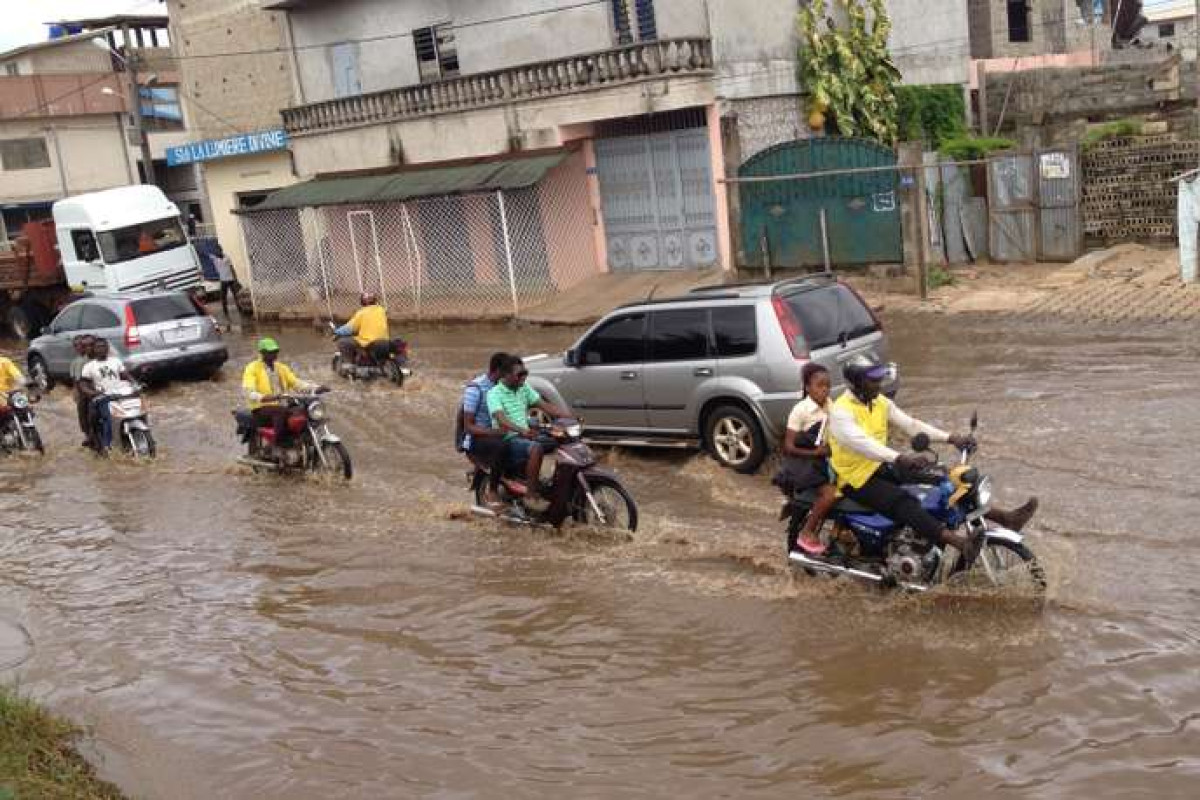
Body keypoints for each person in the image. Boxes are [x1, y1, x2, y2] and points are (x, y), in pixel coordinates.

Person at [828, 356, 1038, 562]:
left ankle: (1005, 519)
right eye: (872, 380)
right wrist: (900, 458)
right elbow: (863, 444)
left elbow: (911, 425)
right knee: (905, 502)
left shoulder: (879, 402)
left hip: (880, 465)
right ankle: (960, 543)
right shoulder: (841, 411)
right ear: (857, 382)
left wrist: (951, 438)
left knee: (946, 478)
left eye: (879, 378)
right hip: (854, 479)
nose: (879, 384)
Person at [776, 363, 837, 556]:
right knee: (829, 495)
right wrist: (816, 453)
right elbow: (788, 446)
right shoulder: (800, 410)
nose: (825, 389)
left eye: (827, 385)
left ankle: (840, 531)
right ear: (808, 387)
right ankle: (807, 532)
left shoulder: (830, 405)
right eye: (819, 385)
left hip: (826, 459)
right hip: (807, 463)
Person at [486, 356, 566, 496]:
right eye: (519, 374)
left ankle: (557, 484)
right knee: (536, 448)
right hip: (508, 439)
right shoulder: (494, 394)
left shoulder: (524, 388)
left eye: (525, 373)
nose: (523, 377)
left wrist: (570, 417)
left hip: (525, 434)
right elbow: (501, 419)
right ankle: (531, 492)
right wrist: (522, 430)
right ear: (506, 375)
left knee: (562, 439)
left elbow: (545, 406)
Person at [242, 337, 323, 445]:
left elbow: (296, 383)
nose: (274, 354)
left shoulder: (281, 368)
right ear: (262, 352)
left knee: (305, 410)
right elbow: (249, 392)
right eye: (270, 352)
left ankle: (304, 441)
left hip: (282, 405)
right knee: (281, 411)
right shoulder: (252, 368)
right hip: (261, 409)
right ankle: (279, 442)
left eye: (275, 352)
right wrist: (265, 397)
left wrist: (316, 388)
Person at [460, 352, 510, 504]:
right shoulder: (475, 389)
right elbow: (468, 426)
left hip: (499, 434)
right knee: (502, 446)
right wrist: (495, 432)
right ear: (497, 371)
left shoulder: (504, 388)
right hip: (477, 439)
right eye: (506, 372)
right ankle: (493, 490)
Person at [79, 338, 132, 453]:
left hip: (120, 394)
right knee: (108, 417)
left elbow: (125, 375)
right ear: (94, 349)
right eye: (98, 347)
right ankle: (107, 444)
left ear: (108, 348)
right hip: (103, 398)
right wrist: (92, 393)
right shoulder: (89, 366)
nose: (101, 349)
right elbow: (83, 385)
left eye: (104, 346)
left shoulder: (116, 361)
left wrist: (134, 383)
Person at [334, 293, 390, 365]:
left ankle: (348, 365)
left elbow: (350, 328)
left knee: (343, 342)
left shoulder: (361, 313)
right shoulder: (382, 310)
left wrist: (337, 331)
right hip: (384, 341)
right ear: (375, 301)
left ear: (362, 302)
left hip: (368, 342)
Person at [69, 335, 96, 447]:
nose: (80, 348)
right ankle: (88, 435)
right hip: (84, 392)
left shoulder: (97, 358)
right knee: (83, 412)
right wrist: (78, 393)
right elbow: (76, 381)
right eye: (77, 346)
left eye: (82, 345)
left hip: (96, 389)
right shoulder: (77, 362)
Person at [211, 245, 240, 320]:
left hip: (230, 279)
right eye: (215, 250)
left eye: (218, 250)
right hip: (223, 280)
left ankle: (240, 308)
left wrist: (235, 278)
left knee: (236, 295)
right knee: (223, 297)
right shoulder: (215, 259)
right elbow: (216, 269)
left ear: (221, 250)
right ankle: (225, 312)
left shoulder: (227, 258)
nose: (217, 252)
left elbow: (232, 268)